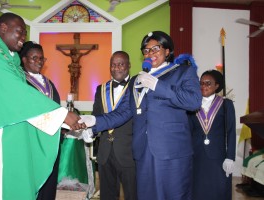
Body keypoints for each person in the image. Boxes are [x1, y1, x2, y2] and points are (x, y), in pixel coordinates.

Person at [0, 13, 84, 200]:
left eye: (25, 34)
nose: (23, 39)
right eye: (19, 32)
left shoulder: (5, 60)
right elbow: (17, 95)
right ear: (3, 28)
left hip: (2, 133)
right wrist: (60, 115)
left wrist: (61, 118)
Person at [80, 31, 202, 200]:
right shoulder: (136, 80)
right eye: (146, 51)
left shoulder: (182, 72)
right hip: (143, 151)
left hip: (171, 151)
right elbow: (123, 112)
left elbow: (194, 101)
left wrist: (158, 85)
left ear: (167, 51)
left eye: (155, 48)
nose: (150, 54)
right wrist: (94, 121)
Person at [19, 41, 62, 200]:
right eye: (34, 58)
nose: (39, 61)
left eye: (41, 58)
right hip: (31, 141)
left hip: (50, 141)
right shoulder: (20, 81)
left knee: (49, 185)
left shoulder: (48, 83)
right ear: (24, 60)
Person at [91, 51, 137, 200]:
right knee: (107, 196)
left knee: (133, 195)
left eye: (121, 64)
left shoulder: (137, 88)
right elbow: (96, 116)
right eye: (113, 64)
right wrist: (89, 130)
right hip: (105, 152)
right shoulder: (101, 89)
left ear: (129, 65)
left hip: (129, 152)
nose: (117, 68)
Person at [187, 70, 236, 200]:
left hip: (218, 158)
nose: (204, 86)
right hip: (197, 156)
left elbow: (231, 131)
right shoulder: (192, 105)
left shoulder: (226, 104)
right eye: (201, 83)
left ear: (217, 86)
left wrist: (230, 157)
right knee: (198, 191)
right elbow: (188, 131)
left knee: (218, 191)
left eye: (208, 83)